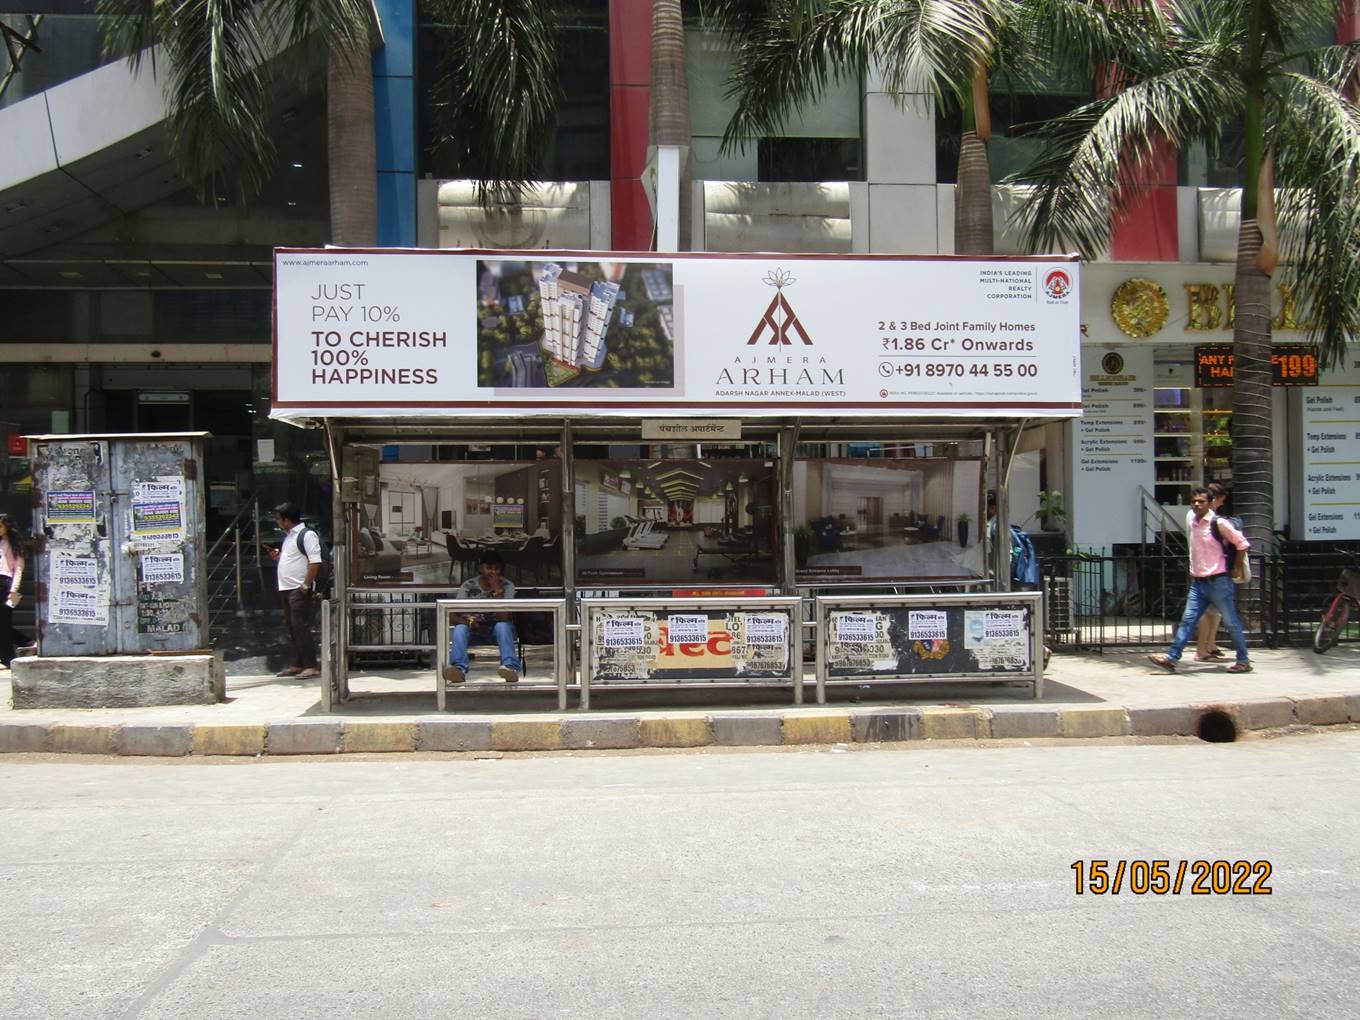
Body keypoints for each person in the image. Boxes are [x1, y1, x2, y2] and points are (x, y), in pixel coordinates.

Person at [1149, 486, 1252, 673]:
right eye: (1194, 501)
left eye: (1201, 501)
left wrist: (1236, 567)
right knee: (1188, 620)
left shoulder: (1218, 523)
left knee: (1231, 622)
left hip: (1219, 581)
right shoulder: (1193, 522)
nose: (1197, 504)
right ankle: (1172, 657)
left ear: (1210, 503)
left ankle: (1243, 660)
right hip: (1198, 582)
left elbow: (1242, 544)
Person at [444, 549, 521, 685]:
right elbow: (453, 616)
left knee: (503, 626)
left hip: (496, 631)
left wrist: (497, 590)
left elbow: (504, 617)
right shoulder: (468, 586)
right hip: (473, 629)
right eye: (489, 568)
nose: (493, 572)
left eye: (497, 568)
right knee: (460, 629)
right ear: (480, 568)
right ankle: (459, 670)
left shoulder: (507, 586)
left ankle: (510, 668)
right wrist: (470, 624)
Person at [268, 502, 321, 679]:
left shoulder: (307, 535)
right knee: (293, 627)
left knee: (300, 626)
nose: (277, 522)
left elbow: (315, 562)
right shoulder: (289, 537)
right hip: (286, 588)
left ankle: (311, 665)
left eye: (278, 519)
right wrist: (279, 557)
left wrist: (305, 585)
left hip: (298, 589)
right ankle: (299, 663)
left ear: (287, 520)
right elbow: (294, 559)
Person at [1194, 482, 1232, 661]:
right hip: (1202, 569)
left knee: (1215, 611)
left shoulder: (1215, 519)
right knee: (1203, 612)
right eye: (1220, 500)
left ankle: (1210, 644)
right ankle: (1201, 649)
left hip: (1214, 569)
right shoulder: (1199, 517)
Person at [0, 514, 33, 668]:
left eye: (0, 526)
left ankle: (8, 657)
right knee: (3, 625)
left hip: (4, 584)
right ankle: (27, 643)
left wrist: (13, 589)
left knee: (4, 622)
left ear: (7, 527)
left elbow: (18, 569)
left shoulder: (14, 545)